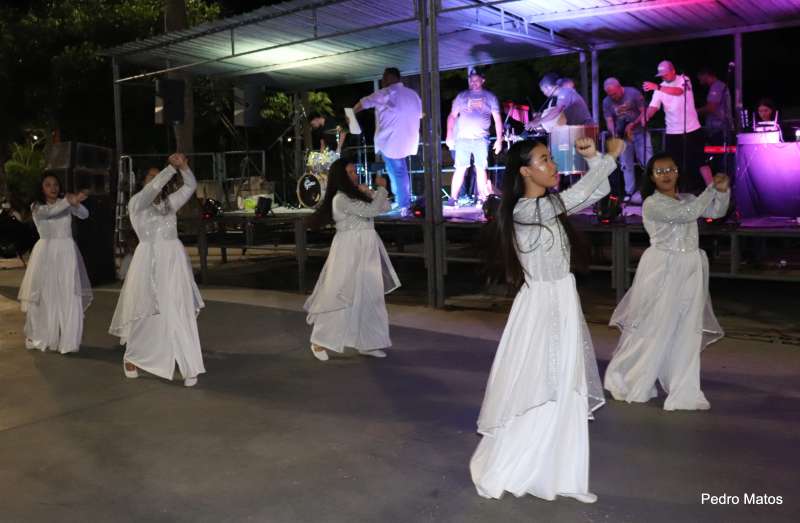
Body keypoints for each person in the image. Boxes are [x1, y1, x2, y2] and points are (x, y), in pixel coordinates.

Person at [470, 136, 625, 502]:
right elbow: (578, 194)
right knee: (538, 383)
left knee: (566, 381)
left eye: (551, 158)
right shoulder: (525, 210)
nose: (553, 165)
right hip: (540, 306)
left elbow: (597, 190)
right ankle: (516, 466)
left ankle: (560, 476)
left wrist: (594, 158)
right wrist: (609, 157)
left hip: (563, 300)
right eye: (543, 160)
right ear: (525, 171)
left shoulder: (549, 207)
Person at [604, 153, 730, 411]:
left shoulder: (689, 198)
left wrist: (723, 191)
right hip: (663, 267)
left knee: (687, 328)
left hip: (690, 266)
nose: (666, 175)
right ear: (651, 177)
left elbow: (715, 211)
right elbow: (687, 214)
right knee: (654, 325)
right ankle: (629, 376)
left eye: (670, 169)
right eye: (659, 171)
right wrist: (711, 188)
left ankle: (683, 387)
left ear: (677, 172)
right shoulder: (652, 203)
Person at [109, 154, 205, 387]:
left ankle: (188, 364)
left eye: (158, 177)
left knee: (179, 309)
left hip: (173, 262)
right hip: (148, 262)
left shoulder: (168, 204)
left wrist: (183, 167)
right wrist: (170, 169)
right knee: (146, 312)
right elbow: (151, 190)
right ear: (142, 182)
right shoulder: (136, 204)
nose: (156, 181)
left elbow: (190, 186)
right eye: (151, 177)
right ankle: (132, 356)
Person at [304, 158, 400, 361]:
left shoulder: (356, 194)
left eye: (355, 171)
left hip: (367, 247)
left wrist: (372, 192)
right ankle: (320, 341)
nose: (354, 175)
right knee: (340, 295)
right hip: (349, 250)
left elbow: (385, 207)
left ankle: (369, 342)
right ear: (340, 176)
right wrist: (381, 189)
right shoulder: (340, 199)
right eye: (349, 172)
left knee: (371, 295)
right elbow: (371, 210)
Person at [17, 174, 92, 353]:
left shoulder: (65, 202)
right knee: (44, 295)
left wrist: (76, 202)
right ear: (41, 188)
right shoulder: (37, 206)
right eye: (48, 185)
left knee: (68, 294)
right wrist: (70, 200)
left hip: (66, 253)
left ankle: (69, 341)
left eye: (56, 184)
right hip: (45, 253)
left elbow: (84, 214)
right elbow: (51, 212)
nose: (53, 188)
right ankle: (38, 335)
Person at [353, 67, 422, 214]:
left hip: (391, 140)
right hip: (406, 138)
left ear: (390, 78)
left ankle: (404, 204)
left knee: (398, 171)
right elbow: (420, 114)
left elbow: (364, 102)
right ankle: (401, 200)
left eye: (384, 77)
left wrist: (351, 113)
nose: (382, 80)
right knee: (394, 171)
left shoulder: (386, 93)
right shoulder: (412, 94)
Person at [644, 60, 711, 193]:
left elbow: (678, 91)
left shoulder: (684, 79)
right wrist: (646, 116)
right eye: (661, 75)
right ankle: (674, 194)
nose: (663, 77)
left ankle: (713, 191)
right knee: (672, 164)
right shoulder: (659, 88)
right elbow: (653, 106)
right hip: (672, 132)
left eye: (665, 74)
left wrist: (657, 87)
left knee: (700, 162)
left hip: (692, 129)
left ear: (673, 71)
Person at [445, 69, 504, 206]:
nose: (473, 83)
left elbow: (497, 119)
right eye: (471, 80)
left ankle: (483, 199)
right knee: (460, 168)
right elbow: (452, 116)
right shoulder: (461, 96)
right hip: (462, 139)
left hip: (481, 139)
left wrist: (499, 139)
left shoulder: (490, 97)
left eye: (476, 80)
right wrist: (449, 135)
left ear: (483, 81)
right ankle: (453, 199)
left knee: (481, 169)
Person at [603, 77, 653, 201]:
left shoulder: (633, 93)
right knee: (626, 165)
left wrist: (633, 124)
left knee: (647, 161)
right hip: (624, 137)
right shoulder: (607, 102)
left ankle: (651, 191)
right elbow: (609, 120)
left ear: (619, 87)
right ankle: (629, 193)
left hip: (640, 133)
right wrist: (613, 133)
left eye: (614, 93)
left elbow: (644, 112)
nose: (613, 97)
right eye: (610, 95)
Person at [697, 67, 734, 174]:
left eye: (700, 77)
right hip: (718, 129)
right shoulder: (717, 86)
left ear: (706, 74)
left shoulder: (717, 86)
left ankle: (722, 181)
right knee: (718, 159)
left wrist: (695, 112)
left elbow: (711, 107)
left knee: (720, 161)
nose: (699, 80)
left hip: (720, 129)